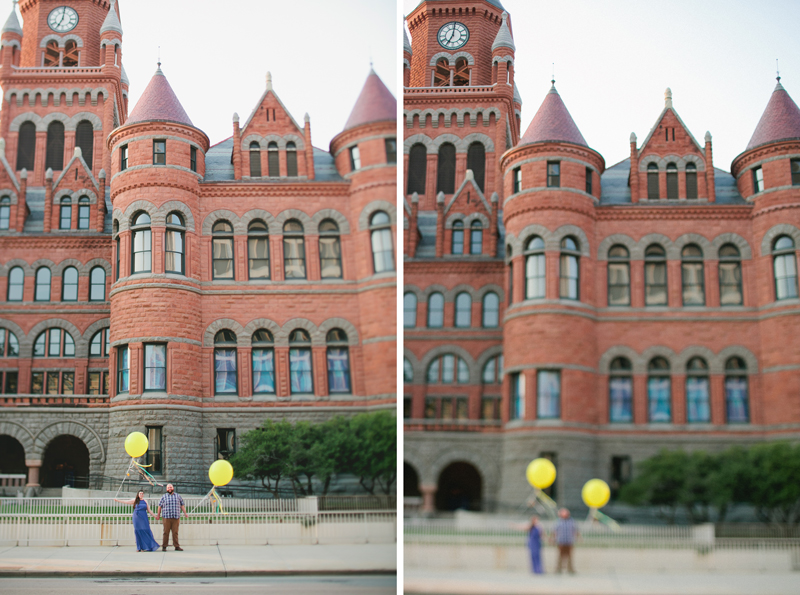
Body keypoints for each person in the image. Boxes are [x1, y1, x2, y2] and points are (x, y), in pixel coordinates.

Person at [156, 483, 187, 551]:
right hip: (166, 517)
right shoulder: (164, 497)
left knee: (175, 532)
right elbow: (159, 506)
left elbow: (182, 505)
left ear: (173, 488)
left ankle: (176, 546)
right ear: (166, 489)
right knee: (166, 532)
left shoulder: (178, 496)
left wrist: (185, 513)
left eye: (170, 487)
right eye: (168, 487)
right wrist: (158, 515)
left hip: (176, 517)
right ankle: (164, 546)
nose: (169, 488)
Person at [553, 507, 579, 574]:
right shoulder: (558, 521)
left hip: (569, 541)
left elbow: (575, 530)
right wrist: (553, 539)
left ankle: (570, 569)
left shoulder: (571, 521)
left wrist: (577, 537)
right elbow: (555, 531)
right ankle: (558, 569)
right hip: (561, 541)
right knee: (560, 556)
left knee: (570, 557)